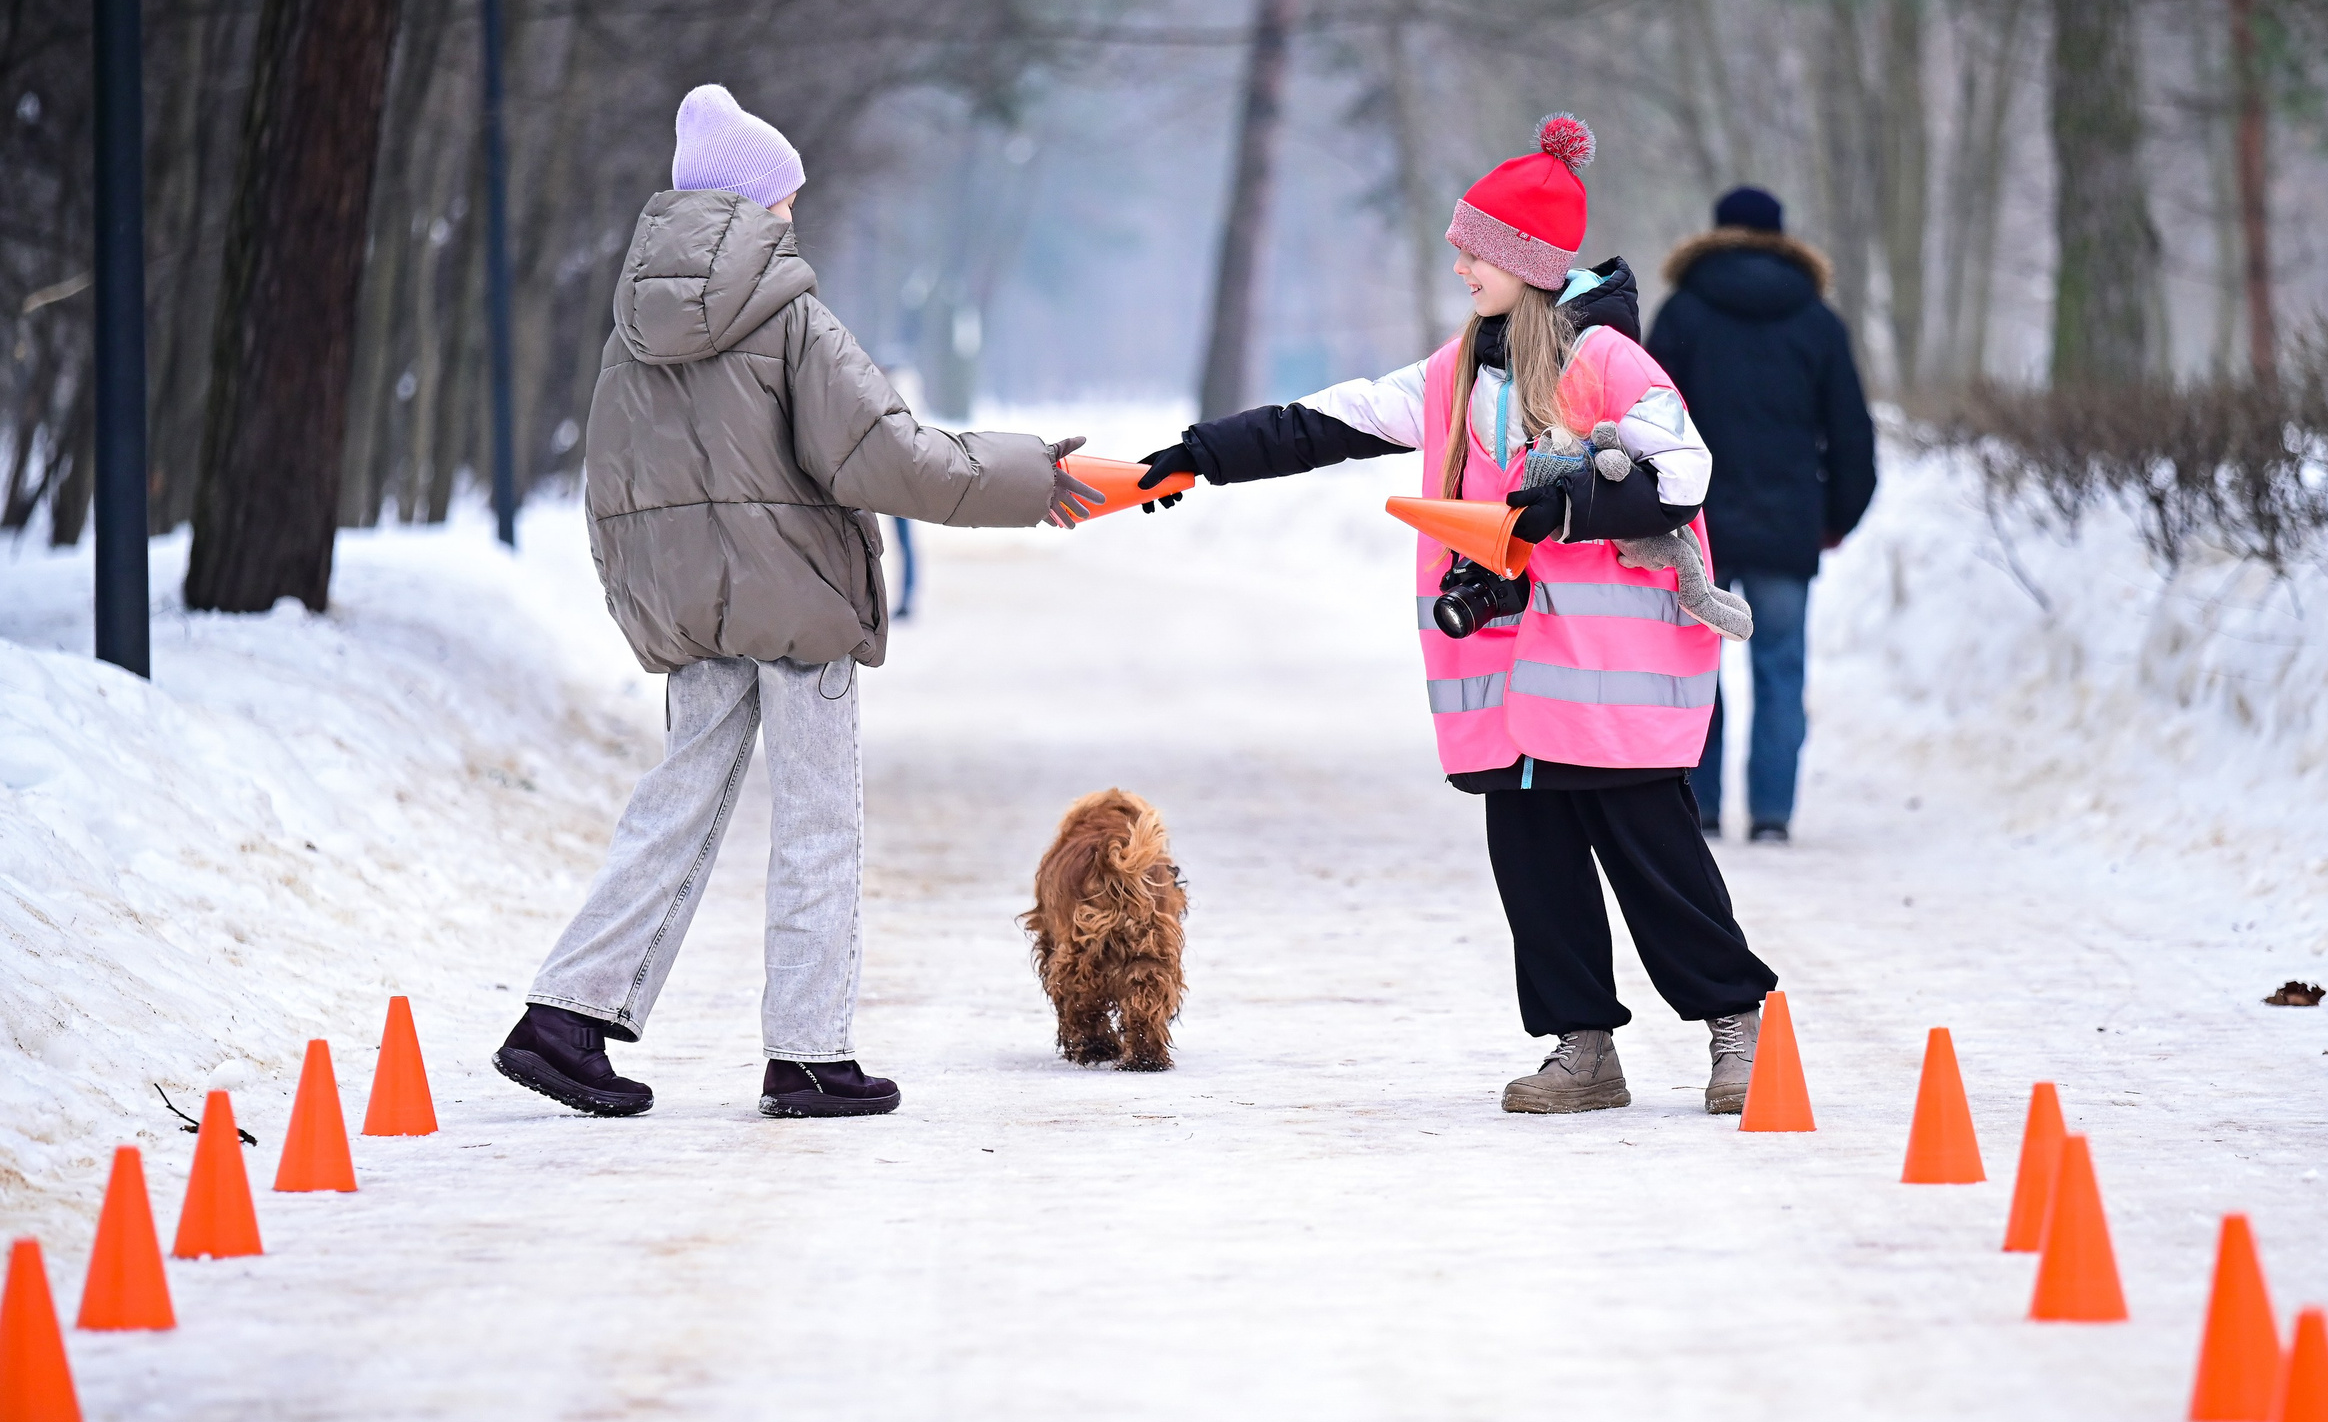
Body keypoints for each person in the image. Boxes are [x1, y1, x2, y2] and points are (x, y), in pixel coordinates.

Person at [1135, 116, 1778, 1116]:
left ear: (1527, 262)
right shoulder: (1457, 371)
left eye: (1476, 249)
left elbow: (1684, 476)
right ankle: (1582, 1049)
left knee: (1657, 864)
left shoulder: (1609, 362)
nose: (1460, 263)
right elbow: (1329, 420)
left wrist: (1565, 507)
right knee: (1535, 868)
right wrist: (1198, 453)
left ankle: (1738, 1027)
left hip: (1610, 682)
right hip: (1508, 686)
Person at [492, 84, 1103, 1121]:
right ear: (751, 203)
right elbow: (891, 454)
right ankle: (809, 1054)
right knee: (818, 822)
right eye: (784, 197)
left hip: (694, 613)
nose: (793, 214)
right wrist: (1031, 478)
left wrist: (648, 601)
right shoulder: (789, 318)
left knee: (676, 806)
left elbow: (615, 485)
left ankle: (564, 1014)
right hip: (799, 607)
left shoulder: (631, 329)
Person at [1644, 186, 1875, 844]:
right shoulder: (1817, 321)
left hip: (1694, 526)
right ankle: (1772, 814)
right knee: (1780, 668)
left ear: (1717, 233)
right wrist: (1837, 518)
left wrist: (1649, 509)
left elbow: (1647, 416)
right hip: (1787, 524)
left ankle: (1700, 806)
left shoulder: (1684, 311)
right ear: (1781, 237)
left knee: (1695, 666)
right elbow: (1851, 433)